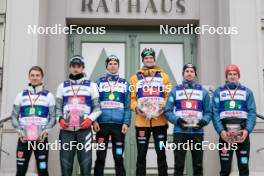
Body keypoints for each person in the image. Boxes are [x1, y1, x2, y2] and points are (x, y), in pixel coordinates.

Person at [56, 55, 102, 176]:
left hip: (84, 130)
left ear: (83, 68)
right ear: (70, 68)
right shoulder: (62, 86)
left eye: (78, 66)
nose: (75, 69)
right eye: (73, 66)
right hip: (66, 131)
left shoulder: (91, 85)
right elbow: (57, 108)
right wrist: (59, 119)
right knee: (66, 166)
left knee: (86, 166)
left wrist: (90, 120)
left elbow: (97, 108)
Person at [164, 63, 212, 176]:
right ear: (183, 74)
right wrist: (177, 120)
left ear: (195, 74)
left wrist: (203, 121)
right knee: (179, 165)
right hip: (180, 132)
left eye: (192, 71)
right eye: (187, 71)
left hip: (197, 132)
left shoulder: (203, 92)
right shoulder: (175, 91)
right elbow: (168, 111)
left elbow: (209, 112)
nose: (189, 73)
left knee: (198, 165)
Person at [130, 48, 171, 176]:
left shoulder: (164, 76)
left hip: (160, 121)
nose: (149, 60)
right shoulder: (134, 78)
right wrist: (137, 108)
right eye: (146, 58)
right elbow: (132, 99)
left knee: (161, 154)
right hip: (142, 122)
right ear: (143, 60)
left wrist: (162, 107)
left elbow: (168, 96)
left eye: (151, 58)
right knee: (141, 155)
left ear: (154, 59)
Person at [212, 64, 256, 176]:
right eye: (230, 74)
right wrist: (221, 131)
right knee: (225, 170)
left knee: (244, 168)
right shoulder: (218, 92)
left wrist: (247, 131)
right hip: (225, 135)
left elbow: (252, 113)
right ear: (226, 76)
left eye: (235, 74)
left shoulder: (247, 92)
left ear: (238, 76)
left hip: (242, 136)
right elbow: (215, 113)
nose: (232, 76)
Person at [11, 66, 56, 176]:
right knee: (20, 171)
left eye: (37, 75)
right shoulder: (20, 95)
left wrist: (46, 131)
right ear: (29, 77)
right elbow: (14, 116)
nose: (35, 78)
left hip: (41, 138)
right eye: (32, 75)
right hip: (24, 139)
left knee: (42, 169)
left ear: (42, 77)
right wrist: (19, 130)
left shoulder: (49, 96)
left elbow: (53, 117)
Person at [93, 55, 131, 176]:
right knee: (100, 157)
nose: (113, 66)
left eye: (115, 63)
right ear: (106, 66)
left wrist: (126, 122)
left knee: (119, 157)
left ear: (118, 66)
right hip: (102, 125)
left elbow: (127, 105)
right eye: (110, 64)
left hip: (119, 126)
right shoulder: (99, 82)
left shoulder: (125, 83)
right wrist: (95, 121)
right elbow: (94, 103)